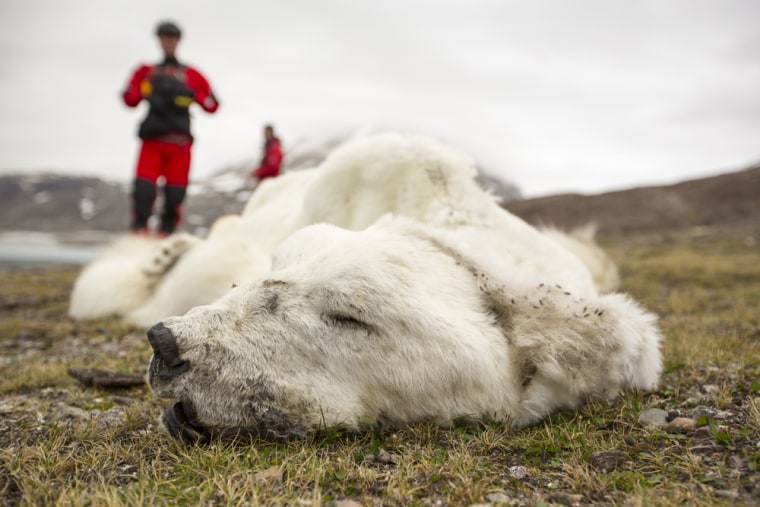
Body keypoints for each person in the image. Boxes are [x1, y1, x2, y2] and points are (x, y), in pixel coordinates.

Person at [121, 20, 219, 236]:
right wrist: (144, 91)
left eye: (172, 38)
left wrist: (193, 95)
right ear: (159, 40)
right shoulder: (146, 71)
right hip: (152, 143)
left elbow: (212, 105)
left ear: (178, 41)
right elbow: (129, 98)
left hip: (180, 146)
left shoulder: (192, 75)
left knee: (175, 197)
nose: (168, 42)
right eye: (164, 38)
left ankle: (165, 239)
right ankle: (139, 238)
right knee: (143, 192)